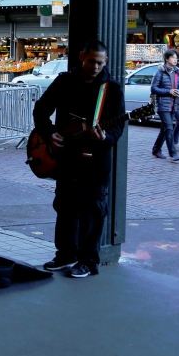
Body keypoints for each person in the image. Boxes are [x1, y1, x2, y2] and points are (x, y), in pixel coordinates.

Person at [33, 40, 126, 279]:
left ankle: (88, 261)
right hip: (66, 156)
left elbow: (117, 127)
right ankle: (65, 254)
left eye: (100, 63)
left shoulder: (112, 89)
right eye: (92, 61)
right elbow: (41, 109)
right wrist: (48, 132)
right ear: (82, 57)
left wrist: (105, 137)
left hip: (96, 160)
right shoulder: (65, 81)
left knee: (93, 210)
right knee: (64, 205)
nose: (96, 67)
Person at [150, 49, 179, 163]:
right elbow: (154, 88)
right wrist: (169, 91)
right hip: (163, 105)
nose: (175, 60)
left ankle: (156, 150)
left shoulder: (177, 72)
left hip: (173, 105)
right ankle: (173, 153)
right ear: (167, 59)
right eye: (173, 57)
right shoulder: (160, 72)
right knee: (169, 128)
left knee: (164, 129)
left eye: (176, 58)